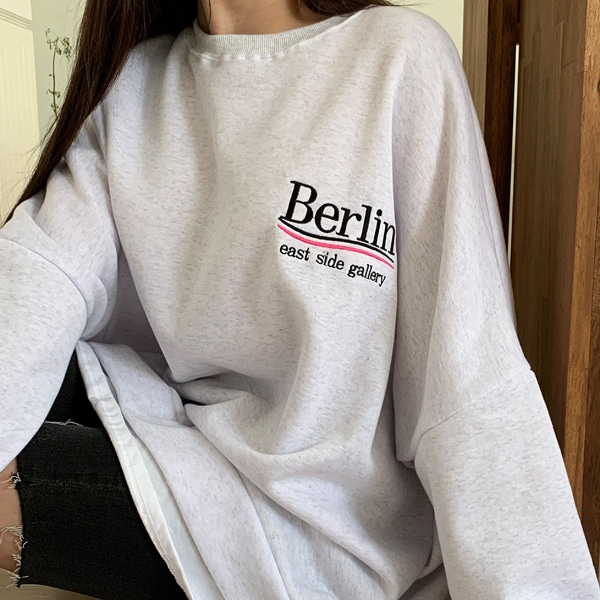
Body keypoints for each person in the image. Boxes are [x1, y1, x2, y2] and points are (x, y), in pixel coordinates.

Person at [0, 0, 598, 598]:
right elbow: (37, 278)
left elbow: (469, 377)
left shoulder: (398, 57)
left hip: (330, 536)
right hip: (183, 448)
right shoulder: (133, 84)